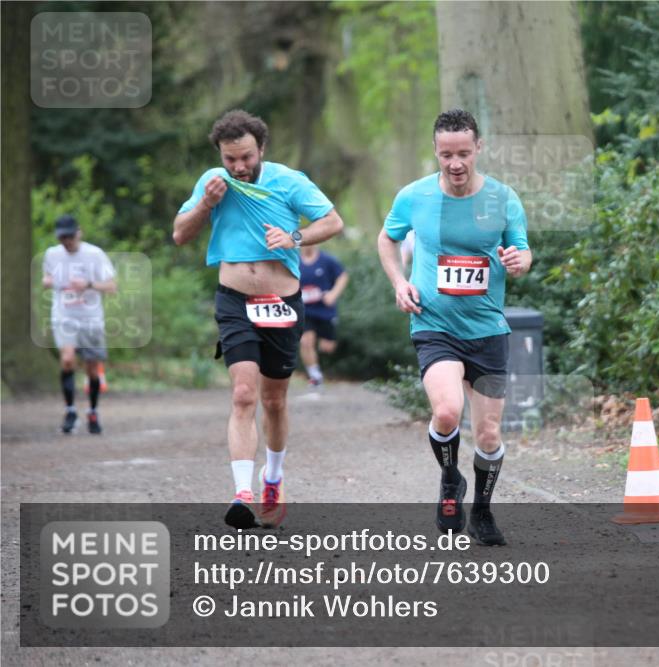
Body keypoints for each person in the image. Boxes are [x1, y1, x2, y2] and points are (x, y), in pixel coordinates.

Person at [173, 109, 344, 529]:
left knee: (274, 400)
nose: (238, 167)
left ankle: (273, 477)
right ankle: (241, 494)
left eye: (246, 157)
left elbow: (333, 221)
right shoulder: (213, 182)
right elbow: (180, 233)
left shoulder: (289, 181)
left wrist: (295, 237)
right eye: (230, 159)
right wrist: (207, 204)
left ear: (261, 149)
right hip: (234, 301)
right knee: (244, 394)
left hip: (282, 302)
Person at [377, 109, 532, 546]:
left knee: (488, 433)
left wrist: (519, 261)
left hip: (486, 329)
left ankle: (482, 511)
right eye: (447, 154)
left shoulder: (502, 199)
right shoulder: (414, 196)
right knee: (446, 412)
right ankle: (450, 478)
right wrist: (399, 282)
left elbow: (521, 250)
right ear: (436, 152)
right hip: (434, 324)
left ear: (478, 148)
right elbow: (386, 238)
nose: (456, 163)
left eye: (464, 153)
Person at [42, 215, 117, 435]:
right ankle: (70, 410)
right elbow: (47, 278)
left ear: (79, 233)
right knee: (67, 360)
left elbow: (112, 286)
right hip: (64, 316)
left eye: (70, 236)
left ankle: (93, 411)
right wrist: (48, 282)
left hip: (91, 318)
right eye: (62, 237)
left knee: (92, 369)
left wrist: (89, 284)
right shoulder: (52, 254)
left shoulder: (94, 254)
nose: (67, 241)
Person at [299, 244, 349, 388]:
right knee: (306, 342)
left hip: (325, 311)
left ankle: (326, 371)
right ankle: (315, 376)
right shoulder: (295, 261)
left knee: (328, 347)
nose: (308, 245)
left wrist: (333, 294)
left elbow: (343, 276)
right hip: (305, 311)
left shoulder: (327, 260)